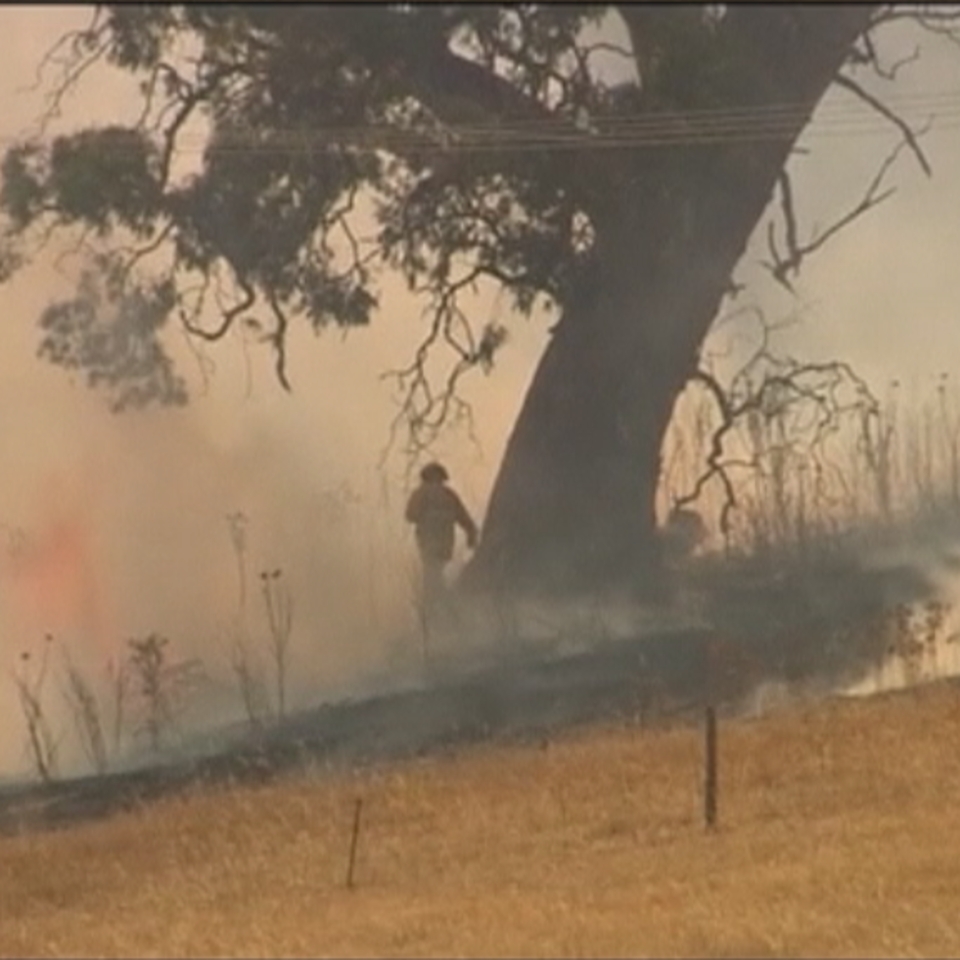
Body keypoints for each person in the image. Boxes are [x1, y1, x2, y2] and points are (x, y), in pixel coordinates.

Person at [404, 462, 478, 617]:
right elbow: (464, 518)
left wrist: (426, 517)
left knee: (431, 574)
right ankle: (443, 607)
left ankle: (436, 607)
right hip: (444, 541)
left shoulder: (421, 493)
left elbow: (410, 515)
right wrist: (471, 535)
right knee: (435, 573)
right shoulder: (448, 494)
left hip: (428, 541)